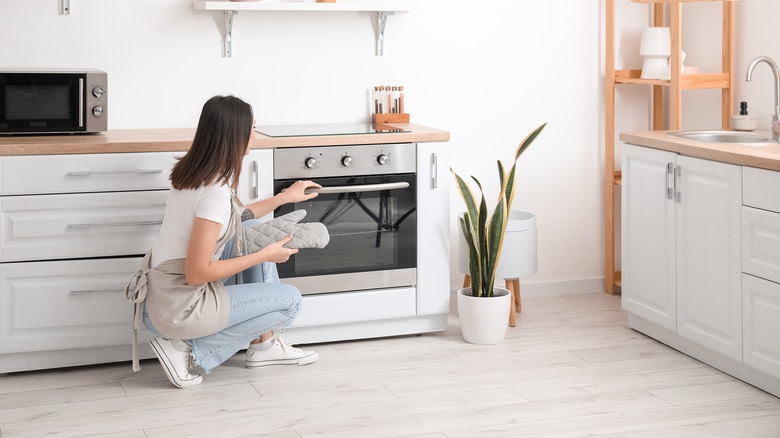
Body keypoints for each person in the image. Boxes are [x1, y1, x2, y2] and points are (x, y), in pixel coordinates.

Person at [126, 95, 321, 389]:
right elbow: (197, 273)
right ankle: (187, 351)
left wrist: (284, 198)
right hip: (180, 312)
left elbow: (236, 218)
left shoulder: (194, 173)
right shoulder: (215, 190)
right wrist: (264, 256)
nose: (256, 134)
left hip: (161, 300)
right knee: (290, 301)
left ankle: (264, 346)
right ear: (237, 135)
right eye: (253, 128)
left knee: (252, 227)